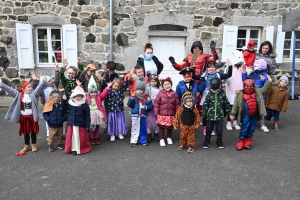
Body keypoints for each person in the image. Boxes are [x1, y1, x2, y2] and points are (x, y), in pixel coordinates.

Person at [0, 74, 47, 156]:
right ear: (23, 88)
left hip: (32, 117)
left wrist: (43, 82)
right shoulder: (18, 94)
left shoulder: (33, 95)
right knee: (25, 132)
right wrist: (1, 84)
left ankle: (34, 144)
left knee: (33, 131)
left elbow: (39, 89)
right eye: (29, 87)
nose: (31, 88)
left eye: (31, 86)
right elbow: (10, 90)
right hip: (23, 117)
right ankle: (26, 145)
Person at [230, 76, 272, 151]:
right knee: (244, 128)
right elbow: (236, 104)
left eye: (251, 86)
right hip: (246, 114)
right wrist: (233, 114)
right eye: (247, 86)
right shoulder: (240, 94)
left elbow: (264, 89)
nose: (249, 88)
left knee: (252, 128)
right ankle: (241, 140)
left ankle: (249, 140)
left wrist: (269, 82)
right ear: (244, 85)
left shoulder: (257, 91)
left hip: (254, 114)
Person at [193, 58, 232, 135]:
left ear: (215, 67)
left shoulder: (218, 74)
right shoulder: (203, 74)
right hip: (206, 94)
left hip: (216, 94)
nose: (211, 68)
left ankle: (212, 128)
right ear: (207, 68)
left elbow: (228, 75)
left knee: (214, 111)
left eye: (213, 67)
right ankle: (205, 128)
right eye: (209, 67)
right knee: (205, 111)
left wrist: (230, 66)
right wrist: (194, 68)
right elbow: (194, 76)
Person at [31, 64, 60, 140]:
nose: (51, 81)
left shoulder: (54, 85)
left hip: (56, 104)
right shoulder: (42, 89)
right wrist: (35, 80)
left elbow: (57, 79)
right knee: (48, 119)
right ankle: (49, 133)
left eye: (51, 80)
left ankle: (60, 133)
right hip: (47, 105)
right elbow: (35, 88)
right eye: (49, 80)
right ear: (44, 82)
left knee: (58, 117)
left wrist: (57, 71)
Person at [202, 77, 231, 149]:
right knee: (208, 130)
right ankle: (207, 141)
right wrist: (204, 115)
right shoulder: (209, 95)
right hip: (209, 117)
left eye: (216, 89)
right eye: (213, 89)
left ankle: (219, 141)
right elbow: (205, 105)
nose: (214, 91)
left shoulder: (223, 95)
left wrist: (229, 113)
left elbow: (227, 105)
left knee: (219, 130)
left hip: (220, 116)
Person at [242, 59, 269, 133]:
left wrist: (264, 80)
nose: (254, 65)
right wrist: (244, 73)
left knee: (262, 109)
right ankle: (249, 122)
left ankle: (262, 124)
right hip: (252, 95)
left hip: (261, 95)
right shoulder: (252, 73)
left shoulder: (265, 74)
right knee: (251, 108)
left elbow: (267, 86)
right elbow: (245, 81)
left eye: (257, 63)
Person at [64, 86, 92, 155]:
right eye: (76, 96)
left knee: (81, 137)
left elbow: (87, 115)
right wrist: (64, 101)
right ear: (73, 96)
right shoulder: (70, 104)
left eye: (80, 96)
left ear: (82, 96)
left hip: (81, 124)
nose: (78, 97)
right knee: (72, 137)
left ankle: (79, 149)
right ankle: (72, 148)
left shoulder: (85, 106)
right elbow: (64, 109)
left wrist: (87, 124)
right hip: (71, 124)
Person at [154, 77, 180, 147]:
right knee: (161, 127)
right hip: (162, 114)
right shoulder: (160, 93)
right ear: (163, 86)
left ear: (171, 84)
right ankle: (161, 139)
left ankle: (169, 137)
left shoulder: (175, 94)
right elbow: (157, 103)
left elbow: (177, 104)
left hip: (171, 114)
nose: (167, 86)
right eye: (165, 85)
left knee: (170, 127)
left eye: (168, 84)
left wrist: (178, 113)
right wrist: (156, 113)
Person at [86, 79, 112, 145]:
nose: (93, 94)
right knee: (92, 127)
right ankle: (92, 138)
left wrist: (108, 87)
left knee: (97, 127)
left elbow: (104, 94)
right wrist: (79, 86)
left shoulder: (99, 97)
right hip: (91, 114)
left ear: (97, 92)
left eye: (95, 92)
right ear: (89, 93)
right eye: (91, 92)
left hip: (97, 114)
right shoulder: (88, 98)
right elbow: (82, 94)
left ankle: (97, 137)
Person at [127, 80, 153, 147]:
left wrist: (146, 107)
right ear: (135, 90)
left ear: (144, 90)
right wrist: (131, 98)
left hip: (143, 116)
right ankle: (133, 140)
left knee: (143, 129)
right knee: (134, 128)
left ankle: (143, 140)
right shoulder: (134, 97)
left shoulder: (147, 98)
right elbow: (129, 105)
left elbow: (151, 106)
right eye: (138, 89)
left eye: (141, 90)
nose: (139, 91)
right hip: (135, 116)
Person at [223, 50, 244, 131]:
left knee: (238, 107)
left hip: (239, 91)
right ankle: (229, 122)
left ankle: (235, 122)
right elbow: (224, 80)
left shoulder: (242, 68)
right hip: (231, 91)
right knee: (230, 107)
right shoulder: (229, 68)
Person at [145, 74, 162, 142]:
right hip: (149, 107)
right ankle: (148, 134)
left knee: (156, 121)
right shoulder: (148, 88)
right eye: (152, 81)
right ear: (149, 82)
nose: (153, 83)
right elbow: (145, 95)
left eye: (155, 81)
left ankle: (156, 133)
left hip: (157, 107)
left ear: (157, 81)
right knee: (148, 121)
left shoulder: (160, 88)